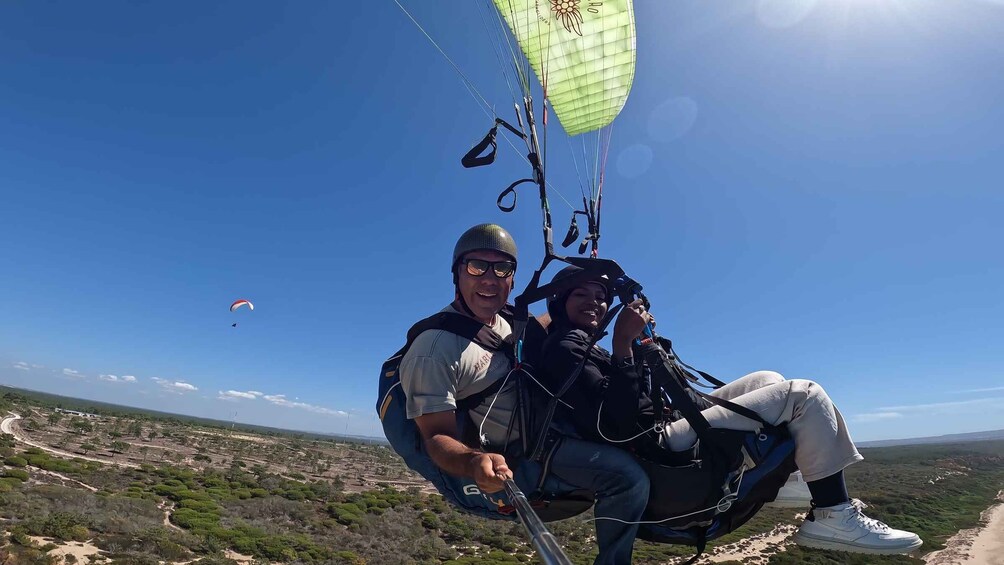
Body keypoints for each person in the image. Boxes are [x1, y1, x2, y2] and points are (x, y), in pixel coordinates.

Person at [539, 265, 924, 556]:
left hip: (660, 425)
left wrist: (640, 349)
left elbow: (630, 394)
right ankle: (833, 514)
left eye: (599, 295)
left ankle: (790, 478)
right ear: (560, 303)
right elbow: (616, 425)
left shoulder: (585, 347)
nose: (594, 302)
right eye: (581, 296)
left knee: (766, 378)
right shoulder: (564, 348)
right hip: (652, 443)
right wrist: (624, 345)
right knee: (804, 395)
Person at [398, 224, 650, 565]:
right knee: (628, 478)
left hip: (549, 424)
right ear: (457, 273)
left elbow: (549, 319)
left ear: (513, 279)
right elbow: (435, 436)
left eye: (502, 269)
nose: (489, 279)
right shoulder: (435, 348)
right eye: (476, 266)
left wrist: (589, 292)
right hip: (529, 454)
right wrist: (474, 462)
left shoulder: (507, 320)